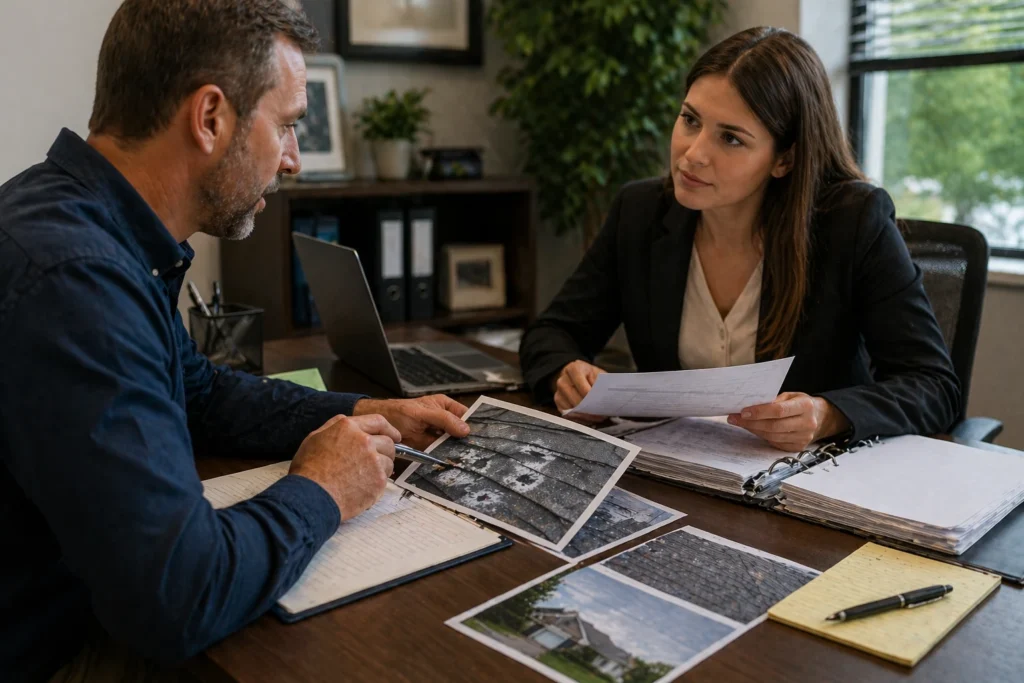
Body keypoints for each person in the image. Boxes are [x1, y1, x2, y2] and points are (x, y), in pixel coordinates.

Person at [0, 2, 471, 681]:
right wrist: (323, 487)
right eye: (285, 126)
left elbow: (198, 391)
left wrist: (363, 413)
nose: (295, 160)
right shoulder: (78, 283)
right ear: (211, 118)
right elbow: (179, 596)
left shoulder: (84, 224)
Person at [520, 27, 960, 453]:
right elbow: (552, 332)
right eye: (690, 120)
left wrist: (828, 414)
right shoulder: (640, 212)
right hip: (679, 473)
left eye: (731, 138)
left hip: (804, 486)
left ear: (784, 159)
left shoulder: (852, 221)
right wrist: (565, 372)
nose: (693, 154)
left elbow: (933, 385)